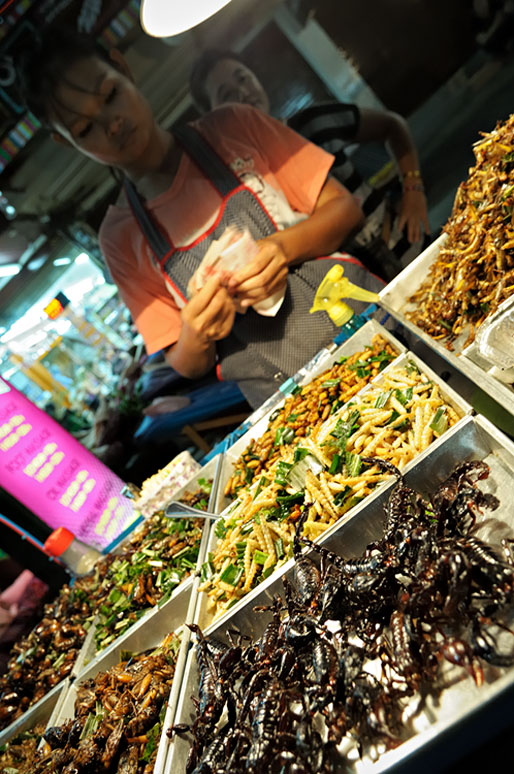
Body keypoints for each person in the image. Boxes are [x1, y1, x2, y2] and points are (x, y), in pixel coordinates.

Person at [17, 29, 383, 409]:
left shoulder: (235, 126)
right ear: (66, 142)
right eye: (85, 129)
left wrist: (279, 249)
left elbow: (345, 209)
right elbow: (187, 361)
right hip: (293, 399)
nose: (112, 124)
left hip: (367, 324)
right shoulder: (119, 238)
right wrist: (196, 331)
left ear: (123, 68)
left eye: (111, 95)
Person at [190, 49, 431, 280]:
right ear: (213, 116)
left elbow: (392, 125)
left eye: (243, 78)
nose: (243, 92)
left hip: (412, 247)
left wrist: (412, 188)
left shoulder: (313, 123)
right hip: (361, 290)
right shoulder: (248, 187)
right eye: (227, 94)